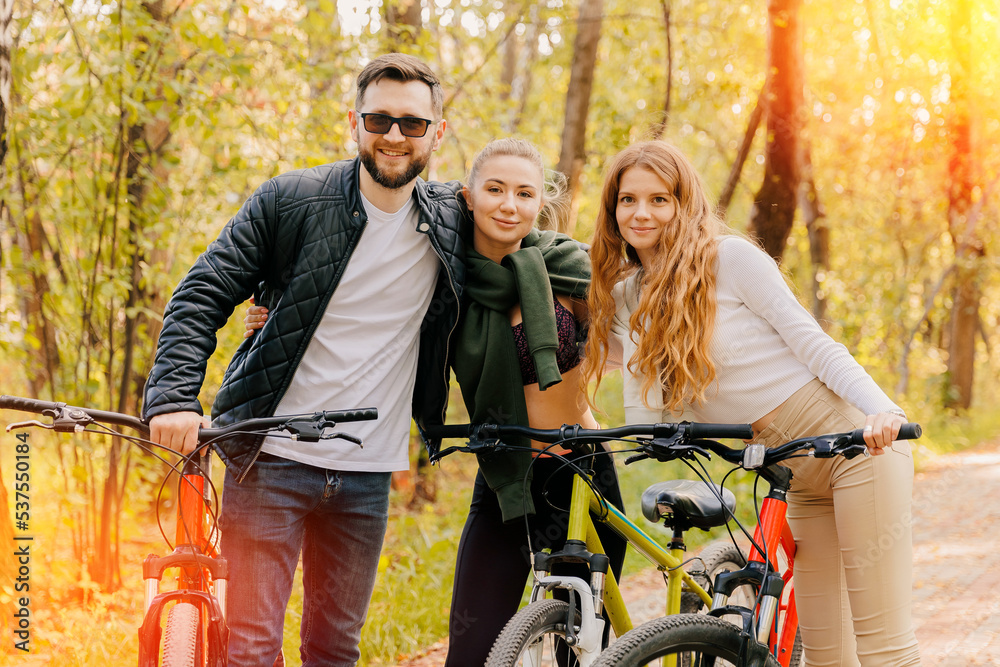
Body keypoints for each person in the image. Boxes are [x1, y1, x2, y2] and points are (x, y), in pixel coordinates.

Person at [245, 138, 626, 665]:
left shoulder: (569, 267)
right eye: (494, 189)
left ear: (541, 203)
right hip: (504, 475)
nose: (508, 204)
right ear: (468, 196)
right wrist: (281, 317)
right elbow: (363, 310)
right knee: (470, 651)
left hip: (582, 472)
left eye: (524, 193)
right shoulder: (441, 276)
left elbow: (639, 331)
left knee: (581, 651)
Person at [142, 53, 467, 667]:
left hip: (368, 475)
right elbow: (200, 292)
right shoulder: (292, 200)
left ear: (438, 132)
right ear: (354, 122)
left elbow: (530, 249)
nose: (394, 136)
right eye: (379, 119)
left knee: (333, 650)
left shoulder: (455, 221)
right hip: (268, 461)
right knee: (252, 649)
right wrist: (174, 397)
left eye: (413, 124)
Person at [583, 140, 921, 667]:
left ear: (683, 204)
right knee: (826, 655)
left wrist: (886, 412)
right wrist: (646, 442)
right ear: (613, 210)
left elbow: (812, 342)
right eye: (628, 200)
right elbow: (641, 386)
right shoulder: (629, 296)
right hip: (793, 475)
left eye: (659, 199)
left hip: (855, 449)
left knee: (883, 648)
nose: (641, 213)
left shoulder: (730, 258)